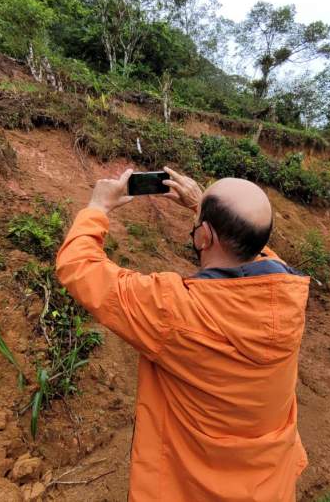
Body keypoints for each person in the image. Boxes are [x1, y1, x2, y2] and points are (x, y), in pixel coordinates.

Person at [55, 166, 309, 501]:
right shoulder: (290, 295)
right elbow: (256, 253)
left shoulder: (174, 312)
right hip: (269, 487)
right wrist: (199, 205)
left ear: (204, 237)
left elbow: (79, 267)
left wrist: (97, 208)